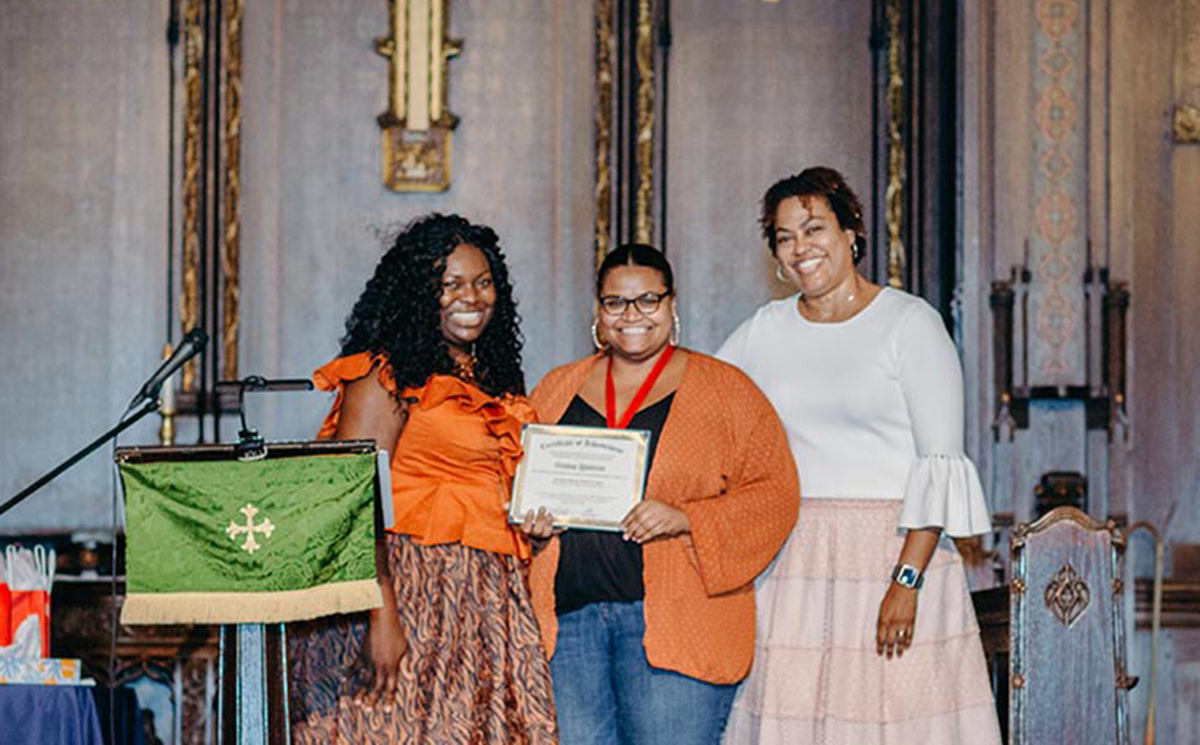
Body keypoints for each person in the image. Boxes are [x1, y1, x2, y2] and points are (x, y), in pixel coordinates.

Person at [718, 167, 1002, 744]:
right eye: (784, 236)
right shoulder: (763, 330)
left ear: (852, 233)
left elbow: (940, 464)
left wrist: (906, 580)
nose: (801, 248)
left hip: (896, 554)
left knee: (895, 722)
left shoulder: (910, 323)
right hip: (794, 559)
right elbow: (703, 410)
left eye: (814, 228)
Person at [286, 213, 558, 744]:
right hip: (407, 590)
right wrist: (380, 616)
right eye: (450, 284)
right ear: (419, 292)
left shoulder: (496, 383)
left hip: (484, 597)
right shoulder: (384, 377)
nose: (471, 297)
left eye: (483, 282)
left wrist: (534, 523)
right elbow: (353, 501)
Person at [520, 243, 799, 745]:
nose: (632, 315)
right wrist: (532, 528)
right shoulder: (555, 390)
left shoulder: (726, 391)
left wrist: (687, 518)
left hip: (675, 623)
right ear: (598, 314)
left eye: (648, 299)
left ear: (672, 306)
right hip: (570, 627)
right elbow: (516, 485)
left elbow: (775, 494)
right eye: (616, 302)